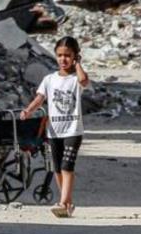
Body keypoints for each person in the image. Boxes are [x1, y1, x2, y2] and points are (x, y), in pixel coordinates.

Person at [20, 36, 89, 217]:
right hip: (53, 131)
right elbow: (39, 99)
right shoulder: (49, 79)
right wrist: (28, 111)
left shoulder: (75, 79)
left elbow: (84, 81)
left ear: (74, 56)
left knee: (67, 166)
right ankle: (68, 202)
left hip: (73, 130)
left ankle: (62, 202)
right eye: (59, 55)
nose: (63, 59)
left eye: (67, 55)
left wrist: (79, 64)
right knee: (57, 168)